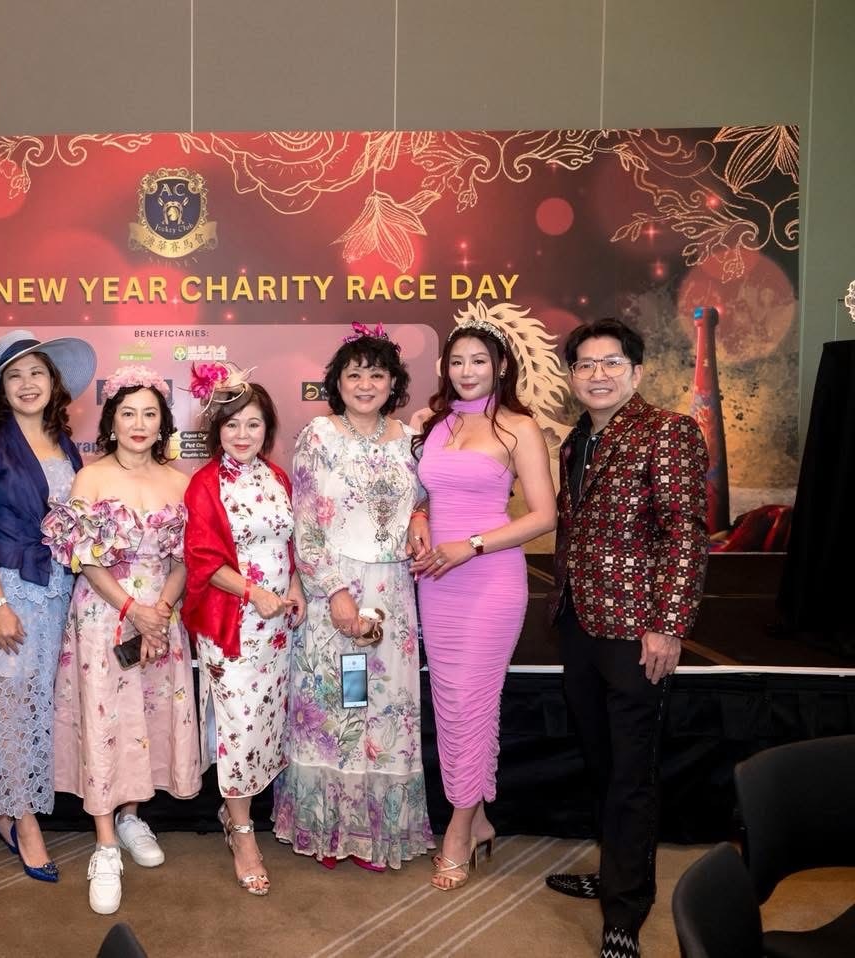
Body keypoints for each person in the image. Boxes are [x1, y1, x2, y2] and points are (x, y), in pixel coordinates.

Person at [543, 318, 708, 958]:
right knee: (603, 762)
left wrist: (668, 625)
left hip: (638, 631)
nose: (598, 374)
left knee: (632, 773)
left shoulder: (668, 431)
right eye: (585, 364)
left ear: (636, 372)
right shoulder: (576, 440)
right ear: (572, 375)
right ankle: (615, 870)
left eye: (611, 362)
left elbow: (684, 534)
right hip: (579, 625)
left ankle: (624, 910)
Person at [273, 322, 434, 870]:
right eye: (354, 374)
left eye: (377, 374)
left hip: (393, 594)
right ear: (337, 383)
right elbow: (305, 523)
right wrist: (336, 593)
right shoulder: (319, 436)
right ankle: (329, 828)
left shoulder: (409, 438)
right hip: (334, 588)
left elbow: (425, 497)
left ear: (394, 383)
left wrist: (420, 515)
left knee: (383, 708)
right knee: (339, 705)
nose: (366, 384)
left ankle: (373, 833)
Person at [44, 366, 204, 915]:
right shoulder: (90, 478)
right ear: (111, 421)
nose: (139, 423)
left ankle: (134, 818)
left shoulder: (180, 482)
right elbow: (84, 560)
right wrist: (133, 609)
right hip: (104, 615)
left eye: (150, 414)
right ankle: (106, 843)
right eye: (128, 413)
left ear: (163, 424)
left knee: (150, 717)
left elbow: (186, 559)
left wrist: (162, 610)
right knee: (106, 719)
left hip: (161, 615)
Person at [0, 328, 95, 884]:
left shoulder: (66, 444)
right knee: (10, 710)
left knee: (33, 710)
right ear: (0, 389)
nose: (27, 384)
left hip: (53, 593)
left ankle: (6, 808)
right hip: (5, 590)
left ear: (53, 383)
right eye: (14, 376)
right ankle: (24, 823)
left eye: (36, 373)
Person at [410, 318, 557, 891]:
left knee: (471, 702)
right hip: (436, 579)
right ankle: (480, 817)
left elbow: (543, 516)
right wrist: (420, 518)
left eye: (478, 360)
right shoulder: (432, 423)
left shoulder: (520, 427)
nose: (466, 371)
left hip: (489, 579)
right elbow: (423, 492)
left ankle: (459, 829)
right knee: (452, 704)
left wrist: (468, 545)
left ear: (500, 366)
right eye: (456, 361)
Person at [182, 363, 305, 897]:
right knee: (239, 723)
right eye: (232, 424)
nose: (242, 434)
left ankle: (238, 813)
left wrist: (295, 587)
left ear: (267, 429)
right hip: (231, 623)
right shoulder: (205, 484)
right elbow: (203, 559)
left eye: (253, 424)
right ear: (217, 430)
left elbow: (291, 543)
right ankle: (241, 831)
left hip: (278, 628)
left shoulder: (277, 478)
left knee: (267, 722)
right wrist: (255, 593)